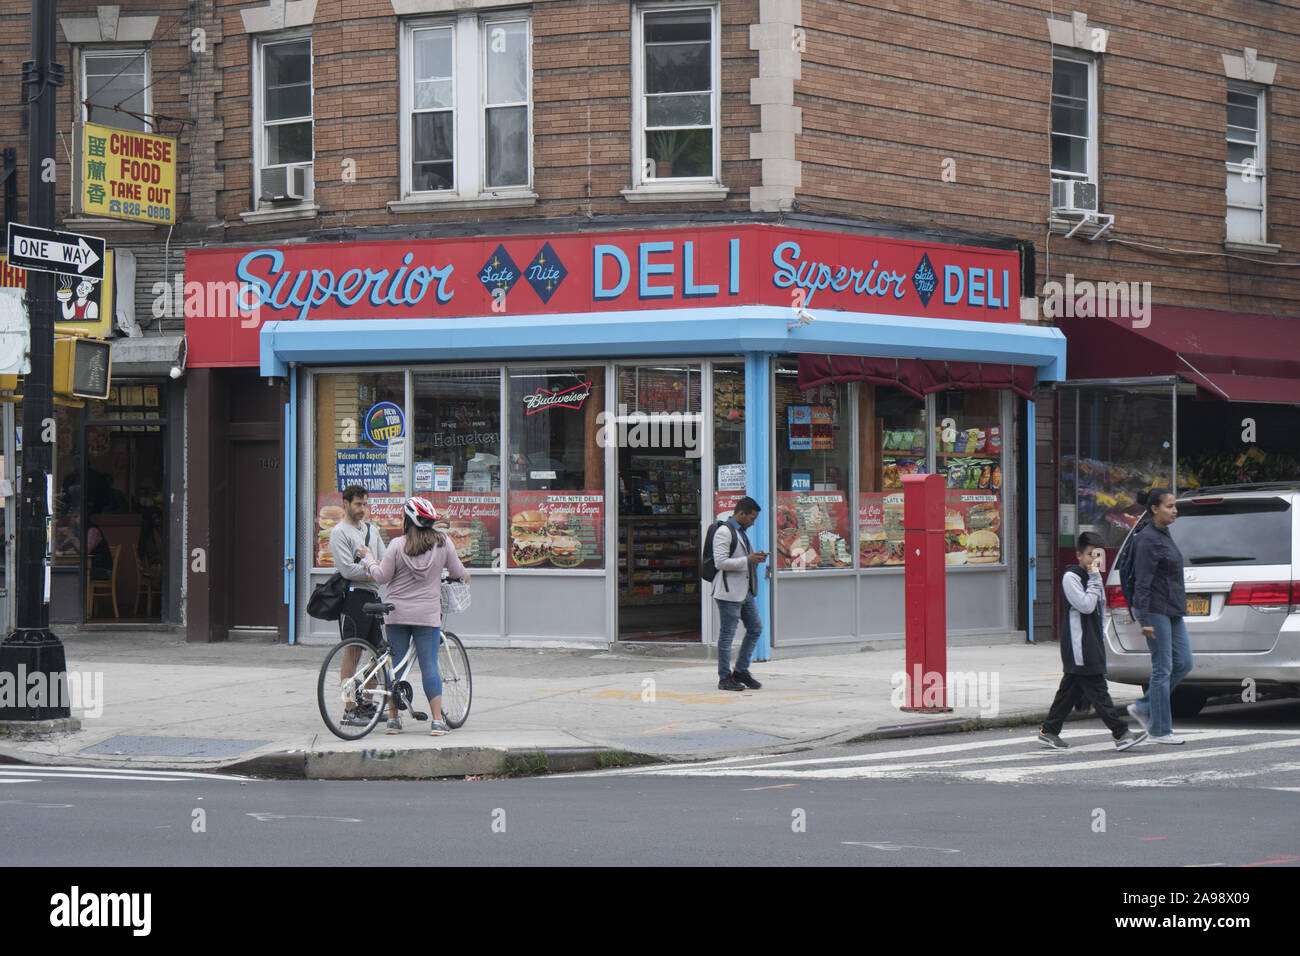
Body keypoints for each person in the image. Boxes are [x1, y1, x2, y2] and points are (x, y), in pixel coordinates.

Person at [358, 497, 468, 736]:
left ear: (406, 520)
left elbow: (381, 577)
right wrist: (464, 576)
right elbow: (458, 571)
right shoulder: (443, 543)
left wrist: (367, 558)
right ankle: (438, 721)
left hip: (397, 613)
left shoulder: (397, 545)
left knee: (395, 666)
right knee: (429, 666)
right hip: (427, 615)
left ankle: (394, 721)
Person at [1038, 531, 1146, 751]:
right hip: (1080, 644)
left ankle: (1049, 730)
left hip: (1091, 641)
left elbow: (1100, 608)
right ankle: (1121, 733)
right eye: (1090, 555)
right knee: (1097, 688)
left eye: (1098, 555)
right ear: (1078, 555)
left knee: (1071, 689)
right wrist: (1095, 579)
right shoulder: (1072, 578)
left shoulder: (1092, 577)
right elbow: (1086, 606)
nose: (1094, 560)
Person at [1126, 487, 1192, 745]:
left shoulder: (1164, 534)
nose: (1175, 510)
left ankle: (1143, 705)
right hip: (1155, 610)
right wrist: (1144, 620)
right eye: (1169, 506)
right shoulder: (1147, 539)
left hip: (1173, 609)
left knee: (1184, 662)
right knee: (1162, 668)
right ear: (1155, 509)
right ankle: (1161, 730)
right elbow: (1142, 582)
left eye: (1175, 506)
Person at [330, 485, 387, 725]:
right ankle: (349, 708)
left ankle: (365, 702)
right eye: (357, 504)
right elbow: (347, 569)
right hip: (354, 598)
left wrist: (374, 566)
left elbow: (384, 561)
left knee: (380, 653)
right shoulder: (339, 533)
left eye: (365, 504)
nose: (362, 509)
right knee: (352, 653)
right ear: (345, 503)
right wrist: (374, 570)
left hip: (373, 598)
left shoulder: (371, 530)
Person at [711, 496, 768, 692]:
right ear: (741, 514)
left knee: (756, 628)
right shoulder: (724, 532)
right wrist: (748, 560)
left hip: (745, 591)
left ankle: (741, 670)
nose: (753, 522)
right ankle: (724, 677)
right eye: (751, 518)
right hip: (729, 592)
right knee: (727, 635)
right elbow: (720, 563)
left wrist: (755, 558)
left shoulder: (742, 532)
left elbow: (743, 558)